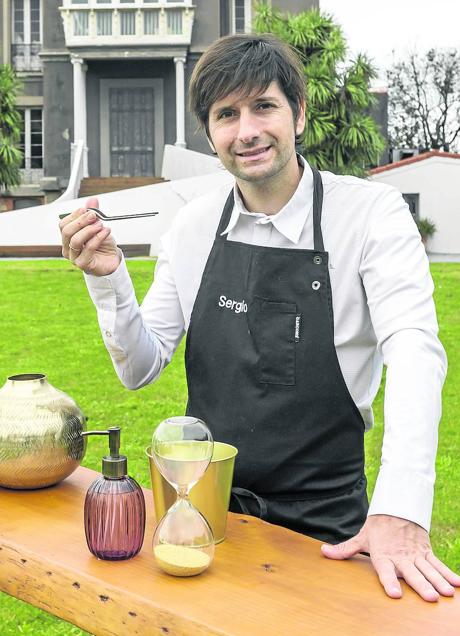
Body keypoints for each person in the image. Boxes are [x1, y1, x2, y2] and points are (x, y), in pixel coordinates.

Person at [60, 33, 459, 601]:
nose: (246, 131)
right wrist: (107, 277)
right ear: (211, 134)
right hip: (202, 521)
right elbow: (139, 368)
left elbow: (416, 351)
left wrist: (401, 508)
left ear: (297, 114)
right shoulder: (193, 226)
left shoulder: (371, 216)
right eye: (227, 114)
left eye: (263, 106)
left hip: (329, 532)